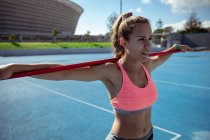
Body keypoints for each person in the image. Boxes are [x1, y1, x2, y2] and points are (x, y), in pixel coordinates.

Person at [0, 12, 193, 140]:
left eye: (150, 38)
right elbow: (63, 72)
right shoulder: (111, 71)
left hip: (150, 136)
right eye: (142, 39)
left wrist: (175, 48)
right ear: (124, 41)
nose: (148, 45)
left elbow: (162, 56)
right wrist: (14, 67)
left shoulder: (147, 66)